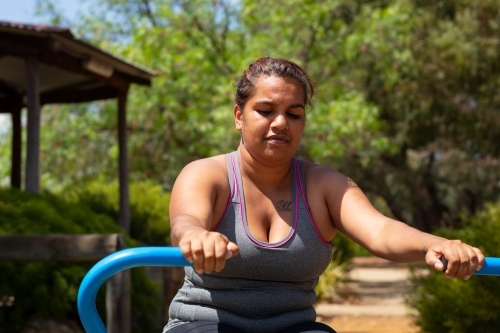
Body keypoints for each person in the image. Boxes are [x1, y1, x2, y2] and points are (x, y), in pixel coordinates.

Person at [163, 57, 484, 333]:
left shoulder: (324, 185)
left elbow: (380, 230)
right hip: (205, 324)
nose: (280, 123)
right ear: (238, 116)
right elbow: (185, 221)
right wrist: (195, 236)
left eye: (294, 113)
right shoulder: (208, 174)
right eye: (265, 110)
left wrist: (435, 243)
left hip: (294, 327)